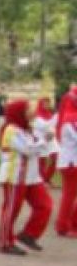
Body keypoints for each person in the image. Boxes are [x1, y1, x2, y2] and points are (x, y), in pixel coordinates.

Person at [0, 99, 53, 255]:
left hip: (32, 177)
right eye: (28, 109)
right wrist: (43, 141)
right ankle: (5, 242)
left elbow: (37, 149)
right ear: (19, 112)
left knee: (45, 205)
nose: (33, 111)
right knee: (11, 210)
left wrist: (41, 141)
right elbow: (28, 149)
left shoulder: (28, 128)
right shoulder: (11, 130)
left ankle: (29, 234)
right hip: (15, 176)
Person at [56, 91, 77, 237]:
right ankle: (63, 226)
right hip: (71, 163)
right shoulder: (71, 119)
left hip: (71, 162)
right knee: (69, 196)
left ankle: (69, 223)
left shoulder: (67, 118)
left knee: (69, 196)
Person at [34, 96, 59, 184]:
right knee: (42, 161)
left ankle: (47, 178)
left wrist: (53, 131)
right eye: (45, 103)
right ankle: (43, 179)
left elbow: (52, 127)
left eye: (48, 103)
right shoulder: (37, 116)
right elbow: (45, 126)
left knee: (56, 158)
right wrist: (56, 117)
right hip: (41, 141)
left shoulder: (49, 114)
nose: (47, 105)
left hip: (51, 140)